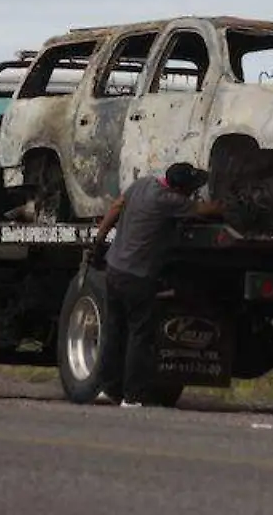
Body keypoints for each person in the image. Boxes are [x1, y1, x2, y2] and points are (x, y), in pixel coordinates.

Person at [90, 162, 223, 408]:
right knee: (139, 336)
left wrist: (98, 240)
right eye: (191, 188)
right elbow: (205, 210)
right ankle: (132, 397)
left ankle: (107, 390)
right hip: (138, 278)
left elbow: (117, 206)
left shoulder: (142, 184)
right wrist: (226, 206)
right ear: (181, 189)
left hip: (114, 270)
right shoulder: (172, 202)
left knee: (114, 331)